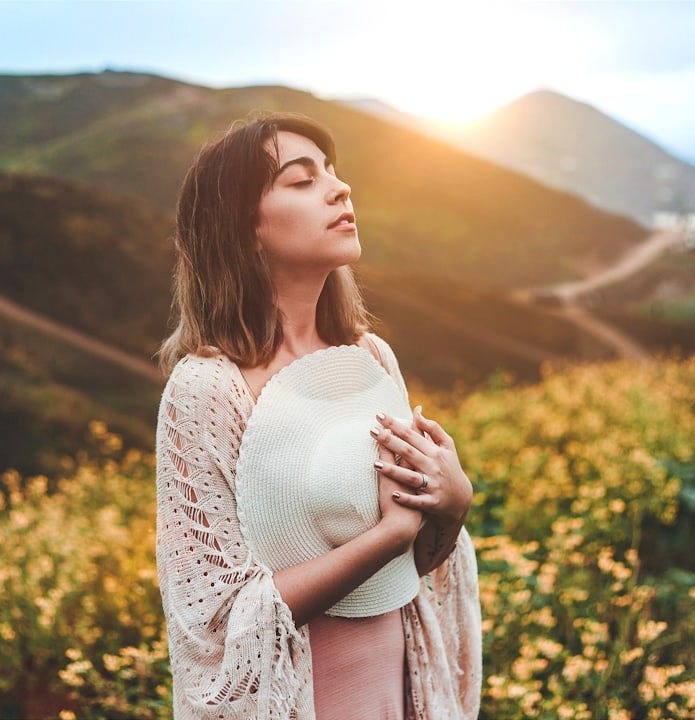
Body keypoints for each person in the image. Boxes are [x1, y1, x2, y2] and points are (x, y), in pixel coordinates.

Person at [154, 111, 483, 719]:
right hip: (306, 699)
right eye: (302, 181)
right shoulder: (206, 390)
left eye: (332, 173)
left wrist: (453, 502)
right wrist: (387, 536)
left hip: (396, 685)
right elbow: (218, 620)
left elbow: (410, 568)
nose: (340, 188)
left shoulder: (370, 357)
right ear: (243, 228)